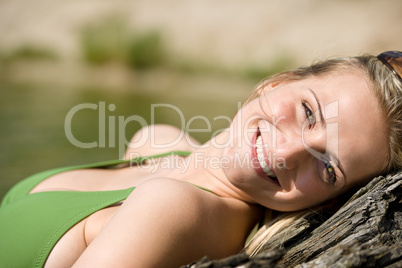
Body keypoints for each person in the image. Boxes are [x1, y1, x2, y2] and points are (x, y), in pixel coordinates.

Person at [0, 51, 401, 268]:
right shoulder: (158, 142)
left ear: (331, 201)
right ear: (277, 82)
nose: (284, 153)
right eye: (308, 112)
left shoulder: (173, 208)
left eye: (328, 168)